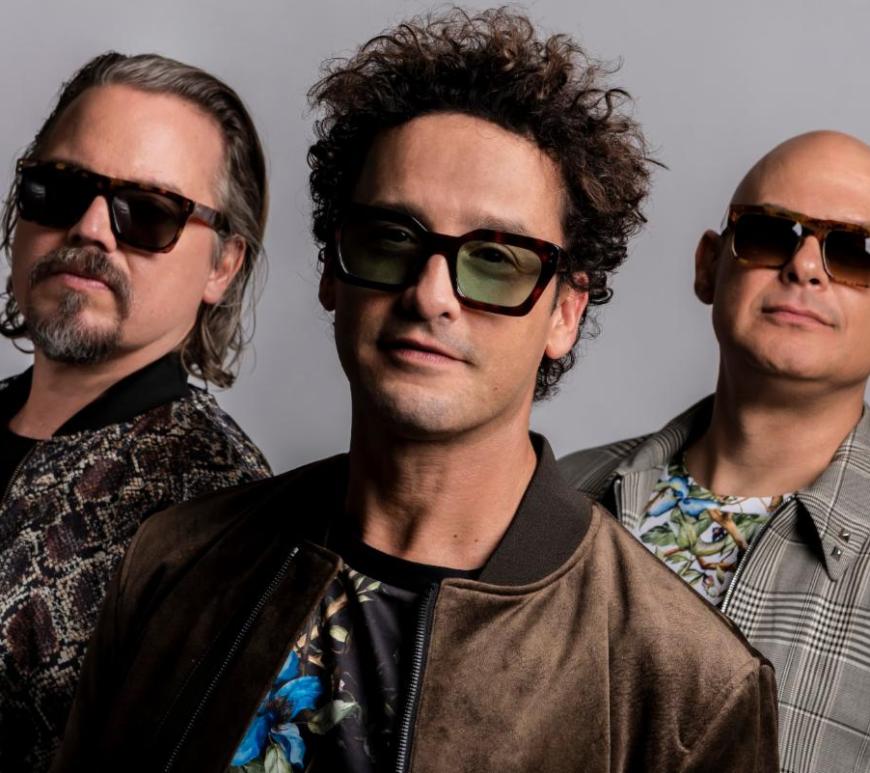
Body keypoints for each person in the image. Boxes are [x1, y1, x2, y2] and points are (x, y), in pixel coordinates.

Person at [54, 11, 778, 772]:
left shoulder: (687, 686)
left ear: (565, 312)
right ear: (332, 270)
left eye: (495, 258)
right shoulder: (176, 560)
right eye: (391, 239)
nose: (431, 295)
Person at [561, 130, 870, 773]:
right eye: (770, 234)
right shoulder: (559, 497)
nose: (806, 267)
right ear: (709, 265)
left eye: (855, 253)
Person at [0, 52, 272, 770]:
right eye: (61, 189)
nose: (91, 228)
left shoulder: (222, 515)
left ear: (222, 265)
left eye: (148, 213)